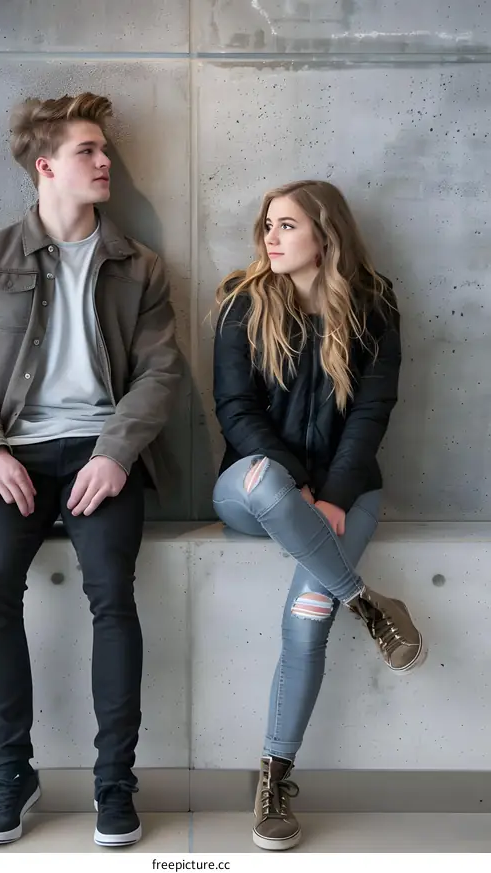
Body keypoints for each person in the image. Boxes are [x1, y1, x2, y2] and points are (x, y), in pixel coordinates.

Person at [0, 92, 181, 848]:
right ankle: (12, 770)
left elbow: (160, 373)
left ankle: (116, 780)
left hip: (103, 454)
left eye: (105, 149)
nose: (106, 161)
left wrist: (116, 452)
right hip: (15, 457)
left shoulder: (138, 266)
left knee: (113, 593)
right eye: (89, 151)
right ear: (46, 166)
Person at [212, 180, 425, 852]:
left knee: (306, 619)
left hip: (349, 491)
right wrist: (299, 485)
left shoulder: (374, 303)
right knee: (269, 482)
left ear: (325, 235)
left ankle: (274, 779)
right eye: (267, 225)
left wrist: (332, 492)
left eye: (286, 225)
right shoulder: (241, 303)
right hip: (250, 489)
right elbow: (236, 410)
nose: (270, 238)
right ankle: (367, 601)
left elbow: (371, 411)